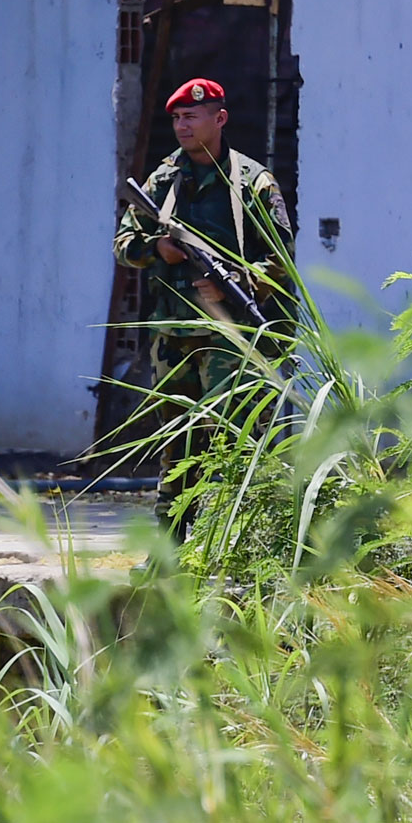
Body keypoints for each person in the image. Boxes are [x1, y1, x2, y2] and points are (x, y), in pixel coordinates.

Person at [114, 77, 296, 538]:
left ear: (220, 119)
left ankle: (238, 547)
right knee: (177, 448)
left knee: (236, 444)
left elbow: (281, 257)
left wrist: (235, 282)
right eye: (176, 117)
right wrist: (159, 249)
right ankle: (170, 552)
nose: (181, 125)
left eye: (191, 116)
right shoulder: (163, 180)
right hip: (173, 338)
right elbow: (123, 244)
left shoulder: (253, 183)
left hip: (230, 339)